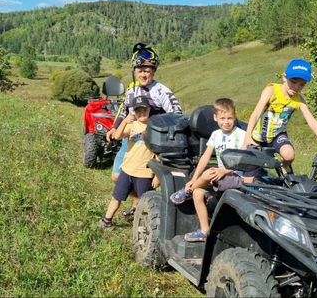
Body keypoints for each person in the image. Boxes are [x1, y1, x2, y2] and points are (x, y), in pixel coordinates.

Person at [107, 43, 182, 219]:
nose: (143, 73)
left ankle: (144, 209)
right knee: (117, 175)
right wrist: (114, 127)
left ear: (153, 72)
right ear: (135, 70)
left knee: (146, 182)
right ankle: (136, 204)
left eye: (148, 70)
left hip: (154, 144)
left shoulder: (162, 91)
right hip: (132, 138)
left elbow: (177, 116)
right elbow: (124, 111)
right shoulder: (131, 88)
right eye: (140, 70)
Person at [170, 98, 251, 242]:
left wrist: (224, 171)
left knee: (209, 173)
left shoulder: (241, 135)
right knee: (198, 193)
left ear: (235, 116)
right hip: (221, 176)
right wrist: (194, 179)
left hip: (236, 176)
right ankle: (204, 231)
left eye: (230, 118)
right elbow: (205, 158)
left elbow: (242, 159)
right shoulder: (216, 135)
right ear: (215, 118)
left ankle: (186, 191)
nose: (226, 122)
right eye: (222, 118)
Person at [243, 59, 317, 167]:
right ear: (284, 77)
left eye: (301, 85)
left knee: (289, 155)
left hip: (277, 135)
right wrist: (247, 138)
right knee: (249, 177)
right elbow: (256, 113)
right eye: (293, 81)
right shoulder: (271, 90)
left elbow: (312, 122)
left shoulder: (299, 100)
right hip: (259, 136)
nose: (296, 87)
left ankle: (283, 171)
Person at [101, 96, 159, 230]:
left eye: (144, 109)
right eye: (138, 111)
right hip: (127, 170)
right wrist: (124, 121)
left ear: (149, 110)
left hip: (145, 173)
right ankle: (106, 221)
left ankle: (144, 229)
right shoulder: (132, 126)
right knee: (116, 197)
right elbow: (116, 136)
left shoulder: (155, 128)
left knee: (145, 203)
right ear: (134, 112)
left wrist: (156, 176)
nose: (141, 113)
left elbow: (158, 154)